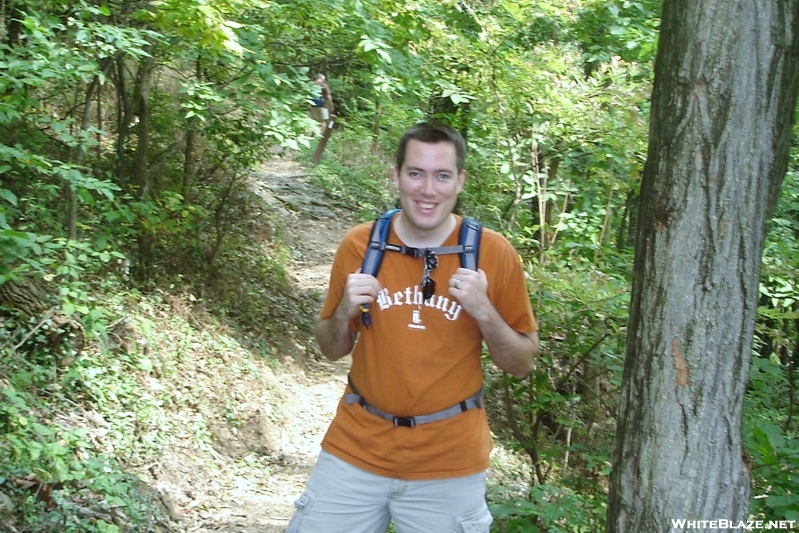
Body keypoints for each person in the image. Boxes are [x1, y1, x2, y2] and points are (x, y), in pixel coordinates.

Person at [286, 121, 540, 533]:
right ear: (397, 175)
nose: (427, 189)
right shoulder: (360, 245)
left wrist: (484, 310)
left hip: (449, 462)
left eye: (442, 175)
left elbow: (522, 363)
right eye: (415, 173)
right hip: (356, 450)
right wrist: (343, 310)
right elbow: (330, 348)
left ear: (460, 181)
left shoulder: (493, 253)